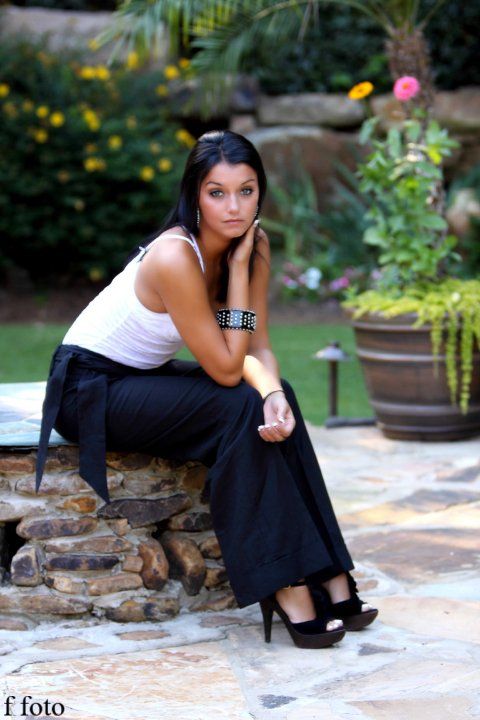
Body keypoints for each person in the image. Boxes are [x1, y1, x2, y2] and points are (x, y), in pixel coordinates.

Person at [36, 129, 378, 649]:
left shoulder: (255, 245)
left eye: (246, 191)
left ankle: (330, 571)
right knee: (238, 407)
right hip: (88, 391)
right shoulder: (175, 256)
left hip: (139, 378)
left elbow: (257, 347)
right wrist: (237, 271)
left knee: (276, 394)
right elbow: (225, 369)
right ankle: (286, 585)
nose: (234, 207)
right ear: (195, 195)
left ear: (260, 192)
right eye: (217, 193)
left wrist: (273, 394)